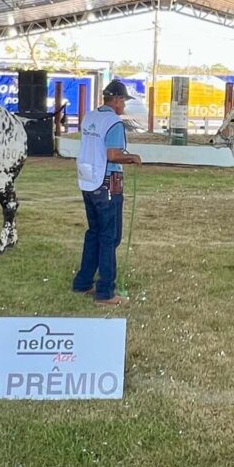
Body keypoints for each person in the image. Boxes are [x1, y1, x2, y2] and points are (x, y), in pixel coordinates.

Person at [72, 79, 142, 307]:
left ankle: (83, 282)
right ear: (118, 100)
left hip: (88, 179)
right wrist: (132, 157)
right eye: (124, 102)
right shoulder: (114, 122)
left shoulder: (90, 117)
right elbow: (112, 155)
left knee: (94, 232)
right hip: (109, 181)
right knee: (109, 236)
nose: (124, 106)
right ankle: (105, 292)